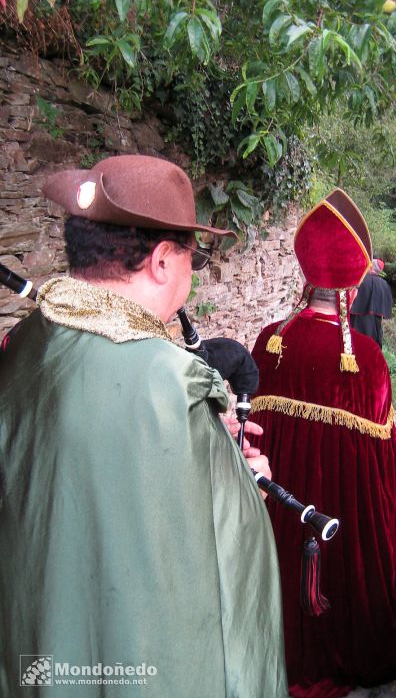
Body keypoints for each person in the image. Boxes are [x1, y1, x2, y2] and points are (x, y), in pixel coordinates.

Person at [0, 155, 288, 697]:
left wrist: (199, 447)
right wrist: (243, 481)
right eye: (192, 257)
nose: (190, 270)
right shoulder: (172, 381)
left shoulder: (25, 339)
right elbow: (228, 560)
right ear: (161, 260)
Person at [249, 188, 396, 698]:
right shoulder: (365, 358)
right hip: (340, 528)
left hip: (283, 518)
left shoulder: (269, 342)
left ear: (308, 276)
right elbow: (384, 474)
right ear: (354, 282)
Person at [350, 258, 393, 348]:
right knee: (370, 347)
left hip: (356, 320)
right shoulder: (384, 285)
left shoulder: (359, 279)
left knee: (353, 344)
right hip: (374, 325)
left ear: (371, 266)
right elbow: (387, 310)